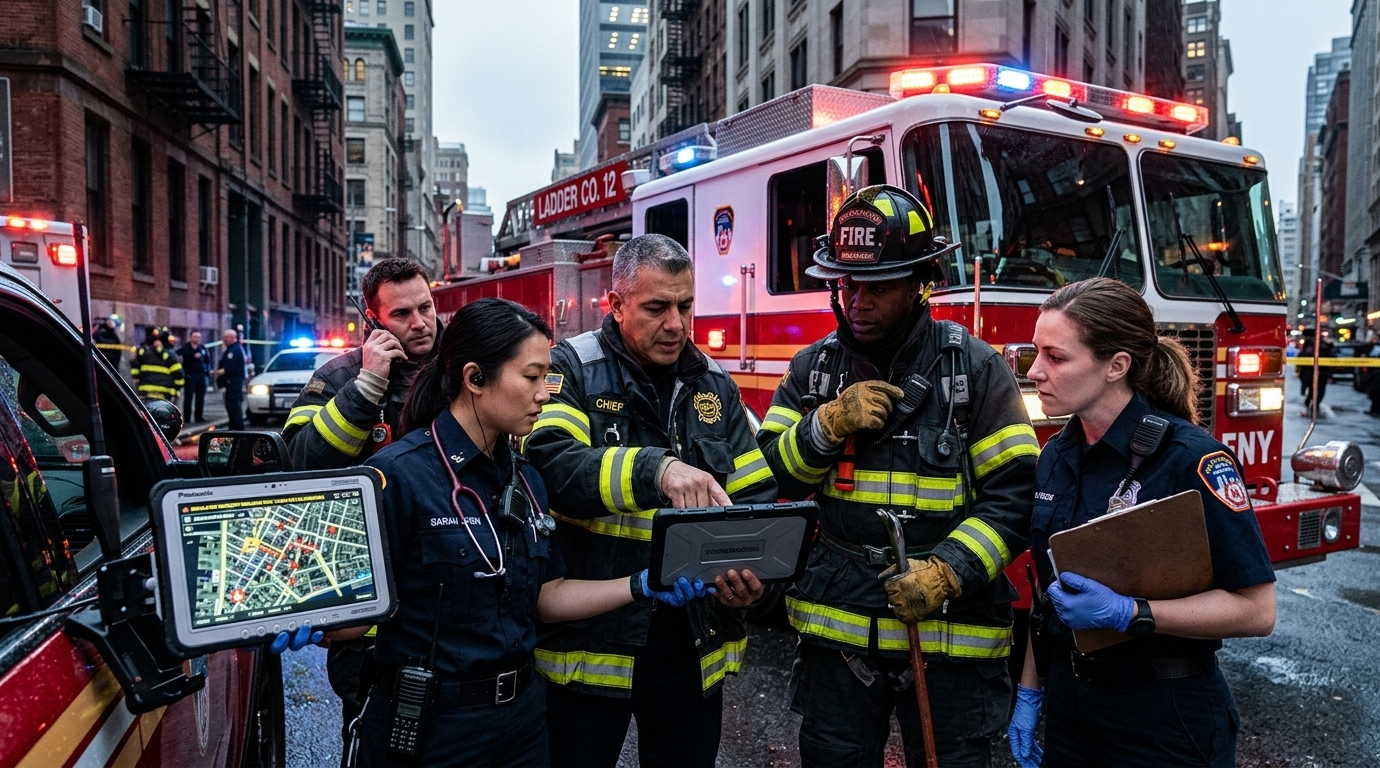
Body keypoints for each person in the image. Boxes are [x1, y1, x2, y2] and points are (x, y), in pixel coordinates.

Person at [328, 298, 712, 768]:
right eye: (531, 377)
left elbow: (546, 596)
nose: (546, 394)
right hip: (432, 730)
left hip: (523, 726)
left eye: (548, 377)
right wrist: (302, 618)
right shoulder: (398, 477)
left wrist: (643, 584)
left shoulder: (526, 479)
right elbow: (347, 618)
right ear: (474, 378)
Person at [756, 185, 1038, 767]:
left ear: (920, 283)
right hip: (839, 637)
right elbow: (771, 475)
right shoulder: (813, 371)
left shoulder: (978, 371)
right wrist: (824, 427)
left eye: (877, 287)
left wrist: (948, 573)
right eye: (846, 284)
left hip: (949, 636)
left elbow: (1013, 500)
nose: (857, 300)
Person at [523, 234, 778, 768]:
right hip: (591, 643)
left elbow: (756, 495)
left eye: (685, 306)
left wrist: (750, 583)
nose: (676, 325)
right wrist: (655, 468)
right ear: (615, 306)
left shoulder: (713, 385)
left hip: (691, 642)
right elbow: (553, 465)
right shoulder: (570, 368)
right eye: (657, 307)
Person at [1008, 277, 1276, 768]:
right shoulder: (1056, 456)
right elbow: (1048, 595)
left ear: (1117, 366)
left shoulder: (1191, 460)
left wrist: (1131, 613)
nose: (1035, 372)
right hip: (1074, 709)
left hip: (1166, 716)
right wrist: (1030, 691)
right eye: (1035, 353)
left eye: (1056, 357)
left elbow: (1256, 611)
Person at [281, 257, 442, 755]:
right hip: (370, 625)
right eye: (401, 315)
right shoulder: (339, 377)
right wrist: (366, 388)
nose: (419, 323)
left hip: (449, 604)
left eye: (426, 307)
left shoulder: (463, 368)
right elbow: (301, 466)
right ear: (372, 323)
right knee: (376, 741)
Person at [130, 326, 184, 402]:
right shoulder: (170, 355)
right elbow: (179, 374)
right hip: (165, 393)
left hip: (145, 392)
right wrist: (177, 389)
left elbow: (134, 364)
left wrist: (136, 378)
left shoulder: (143, 352)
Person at [215, 329, 247, 429]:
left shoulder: (234, 350)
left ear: (233, 337)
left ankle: (237, 427)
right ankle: (233, 425)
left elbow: (230, 367)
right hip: (231, 384)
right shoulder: (231, 349)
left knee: (234, 406)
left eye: (227, 337)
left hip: (234, 383)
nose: (224, 339)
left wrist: (219, 372)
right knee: (230, 406)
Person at [177, 331, 211, 423]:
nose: (197, 339)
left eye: (199, 337)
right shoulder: (186, 347)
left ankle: (198, 416)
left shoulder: (202, 348)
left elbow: (207, 361)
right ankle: (187, 417)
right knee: (188, 397)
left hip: (201, 375)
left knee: (200, 397)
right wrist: (192, 355)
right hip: (190, 375)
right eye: (195, 337)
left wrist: (207, 371)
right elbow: (177, 354)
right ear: (191, 337)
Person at [1366, 331, 1380, 417]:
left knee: (1377, 392)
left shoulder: (1378, 347)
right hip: (1374, 371)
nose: (1371, 339)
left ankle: (1377, 411)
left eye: (1373, 338)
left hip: (1378, 372)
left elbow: (1372, 355)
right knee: (1373, 392)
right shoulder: (1373, 346)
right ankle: (1373, 410)